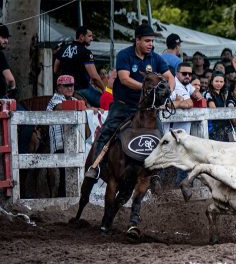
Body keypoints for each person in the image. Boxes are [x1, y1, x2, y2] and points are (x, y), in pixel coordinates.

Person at [85, 23, 175, 179]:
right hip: (123, 106)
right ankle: (95, 167)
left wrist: (168, 91)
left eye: (152, 41)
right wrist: (147, 89)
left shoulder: (155, 58)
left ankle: (157, 173)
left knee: (161, 136)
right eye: (147, 41)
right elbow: (124, 79)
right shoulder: (124, 55)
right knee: (105, 132)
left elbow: (170, 77)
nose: (151, 44)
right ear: (137, 40)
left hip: (147, 110)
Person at [53, 26, 105, 107]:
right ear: (81, 37)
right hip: (82, 88)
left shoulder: (63, 49)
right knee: (107, 103)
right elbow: (94, 76)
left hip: (63, 90)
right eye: (89, 36)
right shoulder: (85, 52)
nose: (92, 39)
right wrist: (104, 89)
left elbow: (55, 70)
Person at [46, 75, 80, 196]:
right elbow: (61, 107)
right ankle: (63, 198)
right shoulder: (55, 99)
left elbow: (84, 108)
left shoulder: (74, 100)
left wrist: (94, 109)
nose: (70, 88)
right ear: (59, 87)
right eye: (66, 85)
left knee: (69, 171)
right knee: (64, 172)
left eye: (71, 85)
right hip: (59, 143)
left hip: (73, 143)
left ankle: (67, 197)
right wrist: (81, 106)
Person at [0, 23, 17, 98]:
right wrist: (12, 89)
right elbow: (10, 80)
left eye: (7, 38)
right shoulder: (0, 55)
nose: (6, 41)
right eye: (3, 37)